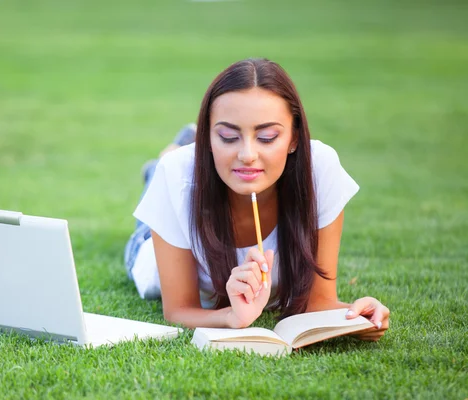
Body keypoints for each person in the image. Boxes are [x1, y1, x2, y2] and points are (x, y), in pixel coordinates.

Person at [124, 58, 389, 341]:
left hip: (202, 171)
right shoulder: (178, 177)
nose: (247, 154)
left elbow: (320, 302)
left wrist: (359, 316)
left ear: (294, 138)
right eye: (228, 136)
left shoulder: (319, 169)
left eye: (266, 136)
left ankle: (178, 149)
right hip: (156, 232)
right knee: (162, 180)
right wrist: (231, 317)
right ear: (207, 138)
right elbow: (178, 309)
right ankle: (161, 162)